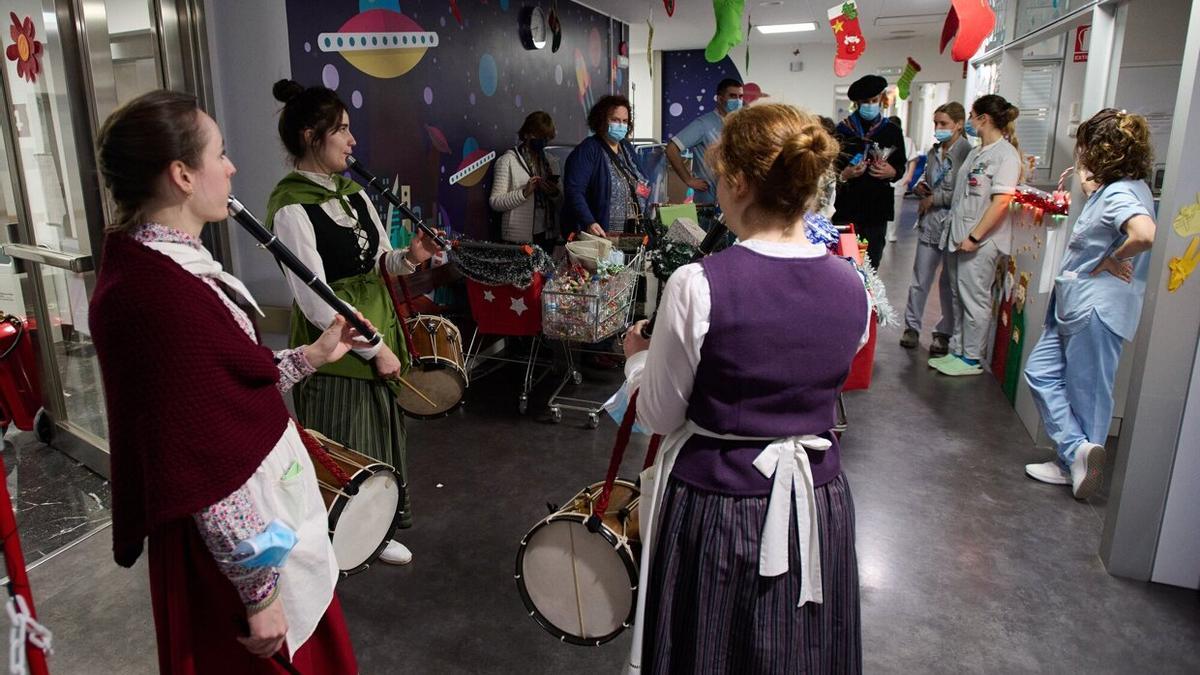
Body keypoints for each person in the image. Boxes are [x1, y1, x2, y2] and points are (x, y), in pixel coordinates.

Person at [90, 89, 359, 672]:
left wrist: (310, 355)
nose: (233, 167)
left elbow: (225, 389)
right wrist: (258, 591)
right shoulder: (153, 295)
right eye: (223, 153)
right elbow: (200, 465)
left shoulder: (170, 266)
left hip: (261, 526)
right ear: (183, 175)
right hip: (237, 551)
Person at [622, 103, 870, 674]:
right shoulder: (850, 284)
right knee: (802, 648)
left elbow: (660, 415)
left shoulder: (698, 283)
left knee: (711, 648)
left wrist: (638, 361)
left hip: (720, 505)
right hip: (818, 497)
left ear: (736, 182)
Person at [267, 79, 442, 565]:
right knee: (344, 441)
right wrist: (375, 349)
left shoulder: (354, 193)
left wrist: (411, 257)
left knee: (378, 436)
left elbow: (381, 261)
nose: (352, 140)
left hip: (374, 325)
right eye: (341, 130)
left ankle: (376, 532)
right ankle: (333, 543)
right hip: (340, 346)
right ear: (310, 137)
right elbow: (315, 299)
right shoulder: (289, 208)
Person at [1023, 109, 1157, 499]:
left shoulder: (1121, 193)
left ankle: (1077, 468)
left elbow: (1144, 234)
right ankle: (1076, 452)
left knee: (1090, 392)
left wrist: (1110, 257)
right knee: (1041, 372)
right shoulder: (1121, 189)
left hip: (1096, 308)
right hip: (1079, 304)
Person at [930, 95, 1023, 377]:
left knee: (975, 299)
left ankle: (971, 358)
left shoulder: (1005, 155)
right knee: (958, 296)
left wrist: (975, 236)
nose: (969, 121)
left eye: (972, 116)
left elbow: (1001, 203)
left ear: (984, 118)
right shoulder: (977, 152)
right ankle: (958, 350)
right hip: (959, 236)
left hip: (980, 241)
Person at [901, 102, 972, 356]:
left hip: (953, 226)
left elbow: (966, 192)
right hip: (930, 223)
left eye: (943, 124)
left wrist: (935, 199)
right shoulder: (933, 152)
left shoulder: (967, 154)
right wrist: (920, 188)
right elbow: (927, 178)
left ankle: (944, 332)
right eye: (935, 124)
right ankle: (911, 326)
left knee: (948, 284)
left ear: (959, 124)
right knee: (920, 279)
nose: (938, 129)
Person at [832, 74, 907, 268]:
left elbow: (900, 166)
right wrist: (845, 175)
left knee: (872, 262)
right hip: (847, 208)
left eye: (874, 100)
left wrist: (891, 171)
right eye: (866, 102)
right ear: (857, 103)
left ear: (881, 99)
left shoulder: (891, 131)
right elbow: (831, 169)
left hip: (876, 210)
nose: (871, 105)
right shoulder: (842, 131)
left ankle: (868, 298)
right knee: (846, 261)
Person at [561, 94, 648, 237]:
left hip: (631, 233)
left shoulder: (626, 147)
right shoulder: (588, 150)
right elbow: (574, 191)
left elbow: (641, 178)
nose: (621, 125)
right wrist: (589, 222)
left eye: (625, 121)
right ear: (602, 120)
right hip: (601, 234)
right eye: (615, 120)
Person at [665, 78, 744, 206]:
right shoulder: (703, 124)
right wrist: (688, 179)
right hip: (709, 204)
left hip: (734, 202)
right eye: (733, 96)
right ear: (719, 98)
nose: (738, 101)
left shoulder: (739, 126)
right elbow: (671, 149)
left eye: (740, 97)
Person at [490, 111, 562, 246]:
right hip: (518, 240)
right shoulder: (508, 160)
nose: (543, 141)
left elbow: (561, 201)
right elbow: (495, 202)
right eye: (539, 136)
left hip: (548, 235)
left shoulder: (551, 162)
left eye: (546, 138)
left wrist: (553, 193)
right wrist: (524, 193)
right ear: (527, 134)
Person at [885, 115, 918, 242]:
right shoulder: (885, 139)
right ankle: (883, 233)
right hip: (883, 181)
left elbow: (912, 160)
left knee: (896, 209)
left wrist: (909, 177)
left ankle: (891, 233)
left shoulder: (906, 141)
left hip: (899, 180)